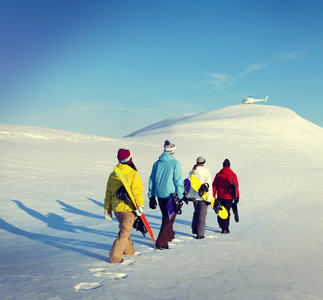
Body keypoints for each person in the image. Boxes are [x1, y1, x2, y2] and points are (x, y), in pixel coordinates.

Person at [104, 149, 144, 263]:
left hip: (117, 209)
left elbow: (109, 193)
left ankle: (129, 251)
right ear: (130, 159)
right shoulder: (133, 174)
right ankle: (115, 257)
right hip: (128, 209)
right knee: (124, 232)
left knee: (125, 229)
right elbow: (137, 191)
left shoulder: (113, 174)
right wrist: (140, 205)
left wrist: (107, 209)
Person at [148, 140, 184, 250]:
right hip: (171, 195)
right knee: (169, 219)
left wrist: (151, 196)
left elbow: (152, 180)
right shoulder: (175, 164)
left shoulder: (157, 163)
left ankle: (169, 235)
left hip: (159, 195)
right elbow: (178, 180)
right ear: (172, 151)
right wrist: (181, 195)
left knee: (166, 216)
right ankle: (161, 242)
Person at [187, 157, 213, 239]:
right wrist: (209, 199)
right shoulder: (206, 172)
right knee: (202, 216)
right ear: (203, 163)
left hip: (194, 198)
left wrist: (189, 196)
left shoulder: (192, 172)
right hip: (203, 198)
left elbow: (188, 185)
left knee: (196, 213)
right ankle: (200, 234)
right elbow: (208, 186)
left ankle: (195, 229)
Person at [212, 159, 240, 234]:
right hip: (229, 197)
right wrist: (237, 196)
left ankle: (221, 225)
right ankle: (225, 229)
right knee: (226, 213)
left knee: (220, 211)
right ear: (229, 166)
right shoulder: (233, 175)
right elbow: (236, 186)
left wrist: (213, 195)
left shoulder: (218, 174)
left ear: (223, 165)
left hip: (220, 196)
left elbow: (214, 186)